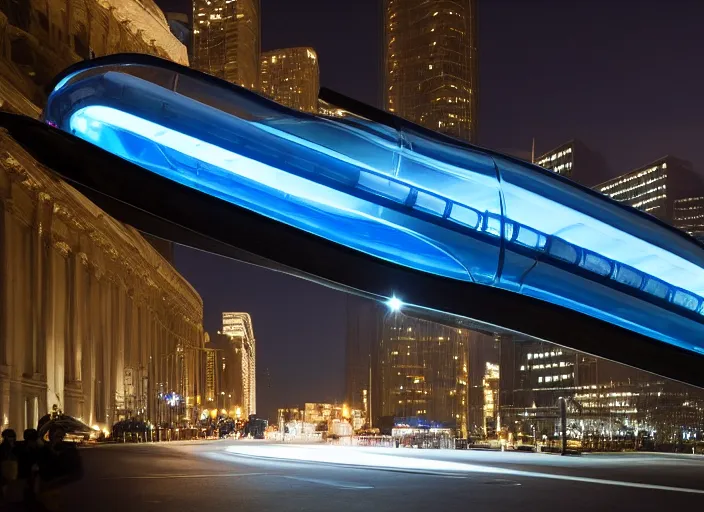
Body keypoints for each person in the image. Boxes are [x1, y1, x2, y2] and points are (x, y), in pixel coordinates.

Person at [1, 429, 18, 501]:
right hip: (5, 475)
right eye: (9, 436)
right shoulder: (2, 448)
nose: (11, 438)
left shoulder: (17, 447)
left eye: (12, 436)